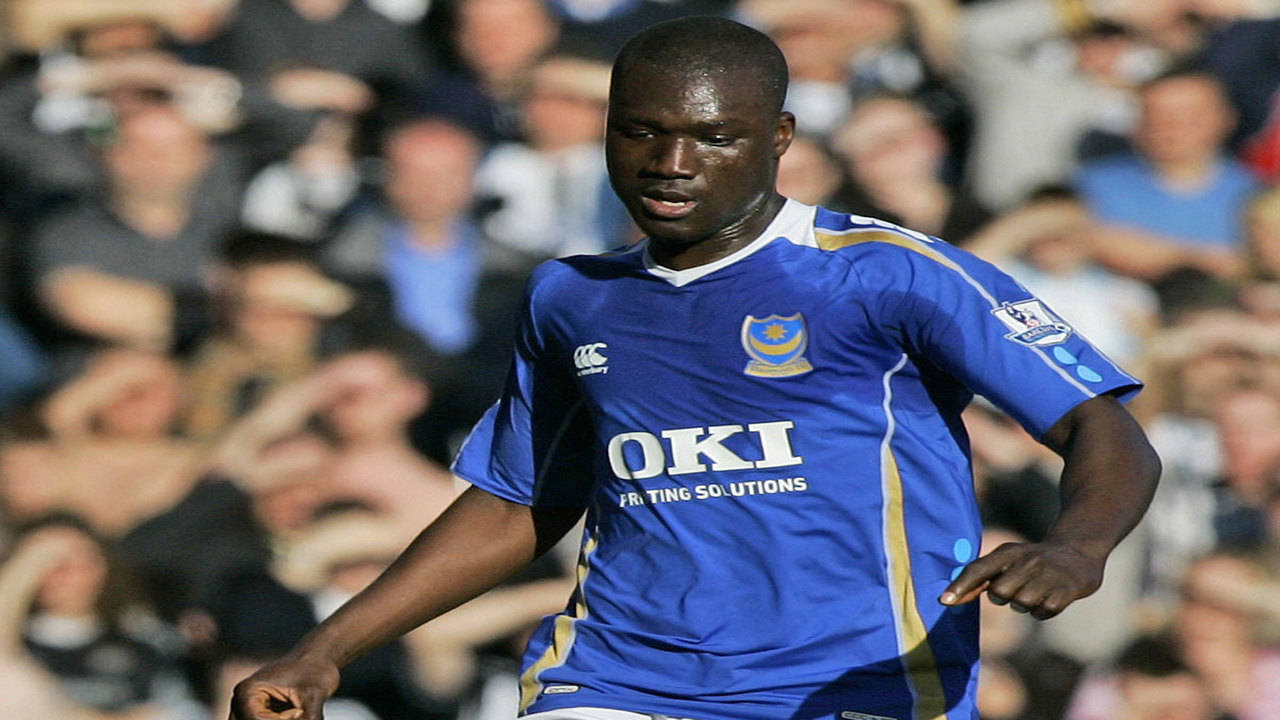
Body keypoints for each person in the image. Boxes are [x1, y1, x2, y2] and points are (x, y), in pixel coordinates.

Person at [232, 17, 1161, 720]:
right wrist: (327, 649)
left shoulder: (884, 272)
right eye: (642, 132)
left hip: (858, 682)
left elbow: (1100, 424)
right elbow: (523, 500)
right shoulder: (572, 297)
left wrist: (1077, 546)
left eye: (714, 138)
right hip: (621, 676)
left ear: (780, 137)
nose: (672, 163)